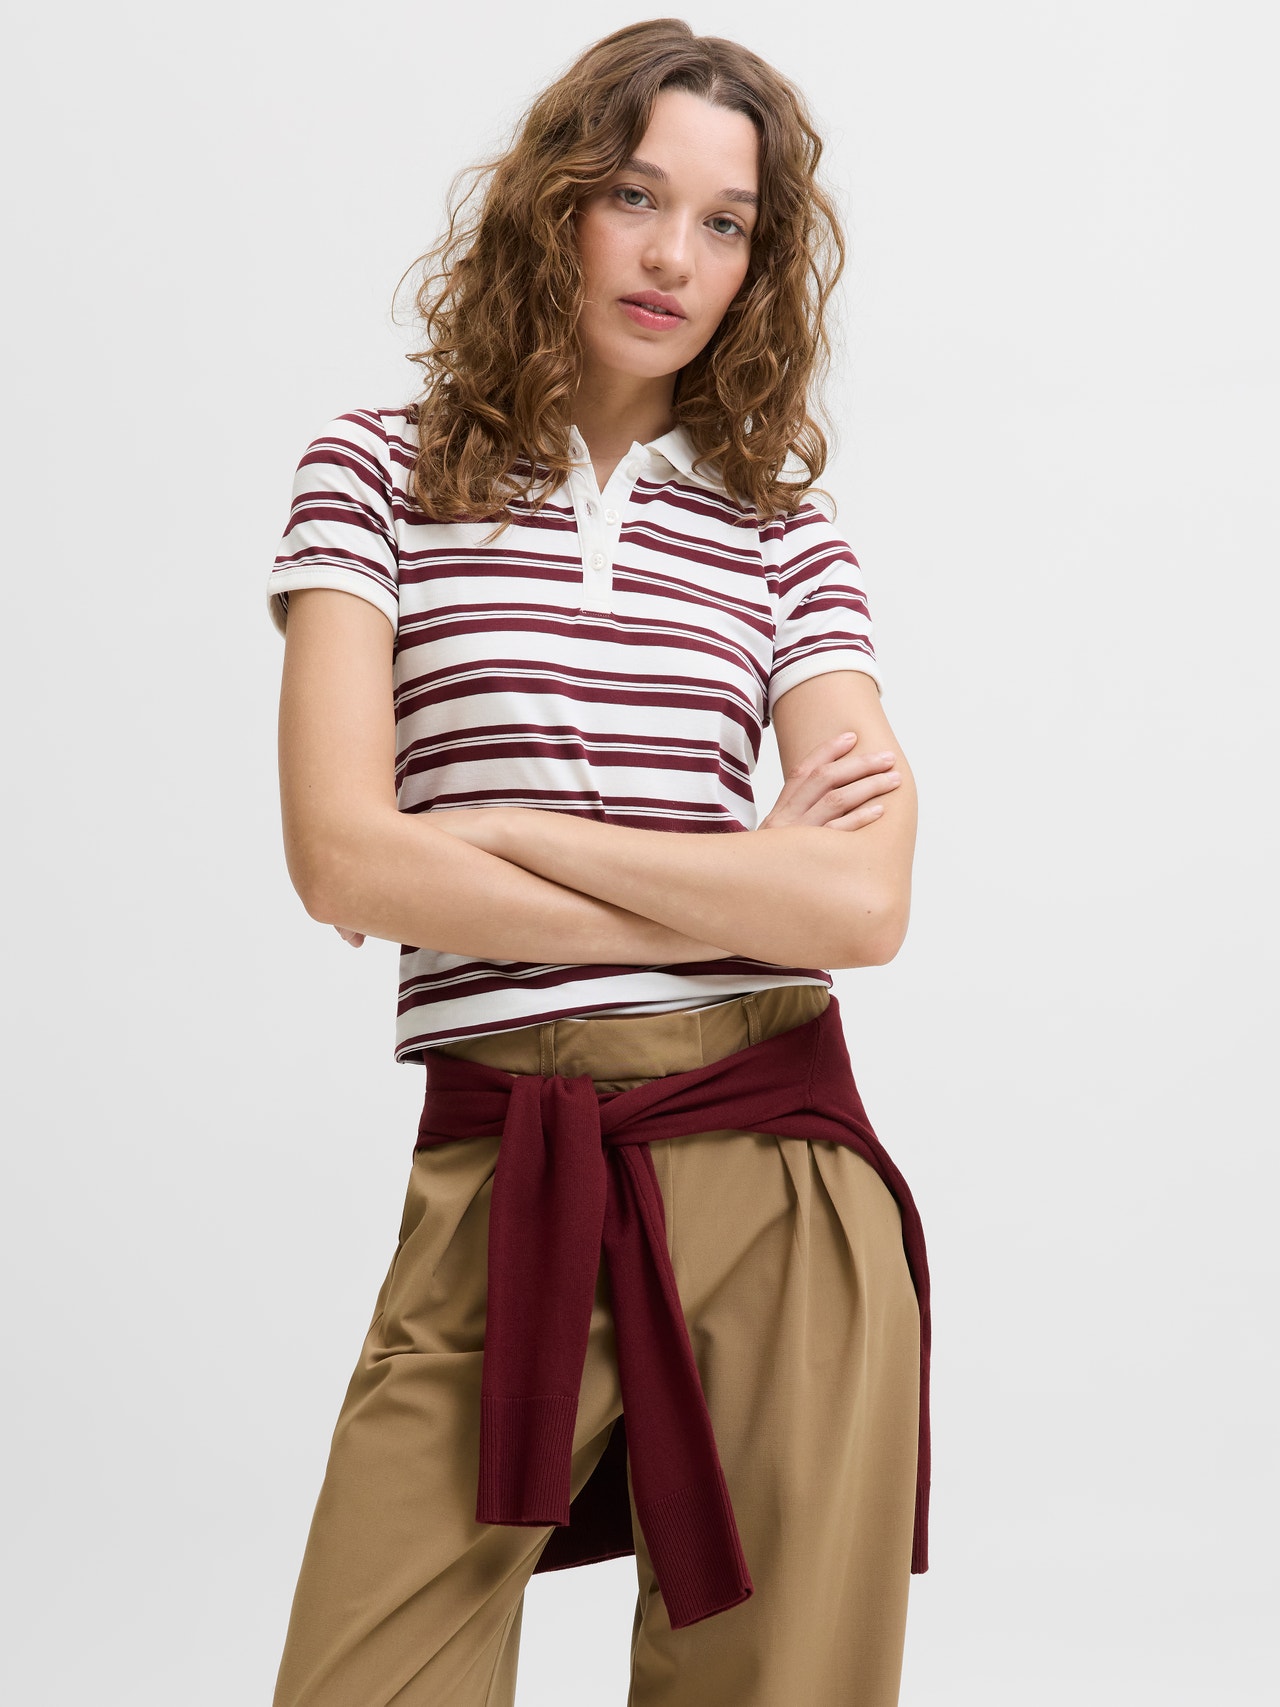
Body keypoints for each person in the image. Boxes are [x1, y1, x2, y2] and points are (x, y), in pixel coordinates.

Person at [264, 19, 925, 1707]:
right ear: (553, 201)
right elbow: (342, 860)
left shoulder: (785, 533)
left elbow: (859, 903)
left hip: (778, 1172)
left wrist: (500, 834)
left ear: (759, 266)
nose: (673, 256)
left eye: (726, 223)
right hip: (514, 1164)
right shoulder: (375, 470)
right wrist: (732, 872)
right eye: (636, 195)